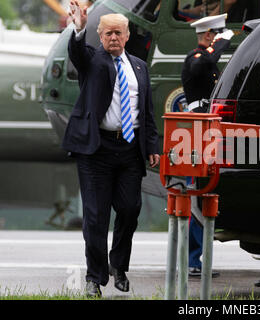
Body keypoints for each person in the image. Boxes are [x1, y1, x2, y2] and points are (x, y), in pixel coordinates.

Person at [65, 1, 160, 297]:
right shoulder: (92, 61)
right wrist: (79, 28)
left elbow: (146, 112)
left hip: (130, 150)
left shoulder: (140, 68)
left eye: (118, 33)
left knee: (130, 210)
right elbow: (77, 53)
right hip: (97, 151)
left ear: (127, 35)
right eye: (107, 34)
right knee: (95, 216)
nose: (113, 38)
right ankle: (95, 277)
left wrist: (152, 145)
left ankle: (118, 266)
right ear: (100, 35)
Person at [181, 13, 233, 276]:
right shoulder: (196, 58)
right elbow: (201, 66)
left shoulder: (207, 59)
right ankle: (191, 260)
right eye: (217, 35)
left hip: (208, 131)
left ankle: (195, 259)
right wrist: (220, 45)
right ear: (209, 35)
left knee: (205, 194)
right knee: (196, 196)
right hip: (198, 132)